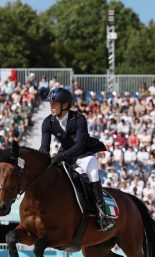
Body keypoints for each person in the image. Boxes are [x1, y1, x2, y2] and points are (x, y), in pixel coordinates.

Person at [39, 87, 114, 231]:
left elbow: (79, 146)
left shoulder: (79, 118)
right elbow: (44, 147)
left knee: (92, 173)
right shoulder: (48, 122)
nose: (51, 106)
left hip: (84, 154)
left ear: (65, 105)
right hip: (66, 156)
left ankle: (103, 215)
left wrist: (61, 156)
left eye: (54, 103)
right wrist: (43, 160)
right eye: (51, 103)